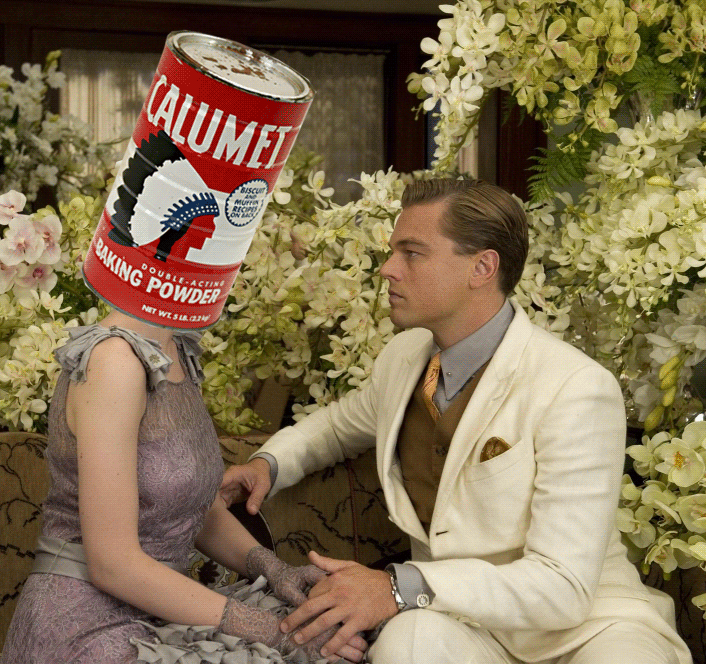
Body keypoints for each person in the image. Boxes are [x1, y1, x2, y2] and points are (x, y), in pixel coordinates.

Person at [221, 178, 692, 664]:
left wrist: (397, 587)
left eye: (412, 253)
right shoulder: (404, 357)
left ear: (482, 267)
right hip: (466, 626)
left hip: (590, 629)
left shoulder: (576, 387)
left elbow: (564, 586)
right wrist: (267, 465)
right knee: (406, 645)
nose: (387, 269)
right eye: (392, 252)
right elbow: (338, 428)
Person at [0, 307, 367, 664]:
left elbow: (190, 509)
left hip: (164, 612)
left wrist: (273, 570)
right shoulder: (114, 359)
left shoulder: (174, 346)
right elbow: (112, 566)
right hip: (87, 624)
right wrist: (276, 632)